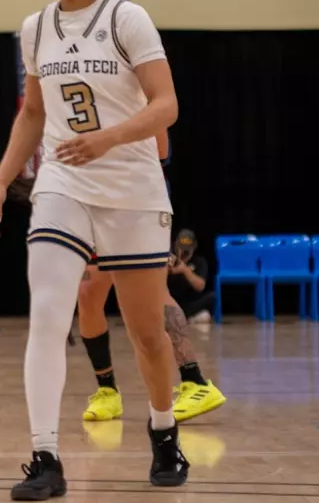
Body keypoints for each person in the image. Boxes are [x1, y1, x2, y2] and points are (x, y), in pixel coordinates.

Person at [0, 0, 190, 499]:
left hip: (132, 188)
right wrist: (0, 181)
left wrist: (110, 138)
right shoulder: (35, 27)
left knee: (147, 333)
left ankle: (164, 430)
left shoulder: (127, 18)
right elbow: (32, 115)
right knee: (48, 315)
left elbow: (167, 105)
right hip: (62, 183)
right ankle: (45, 457)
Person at [77, 147, 226, 427]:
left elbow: (161, 147)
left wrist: (107, 139)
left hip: (136, 196)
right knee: (88, 294)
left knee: (154, 296)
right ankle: (107, 390)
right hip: (93, 194)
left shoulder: (146, 103)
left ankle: (195, 382)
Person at [169, 229, 214, 322]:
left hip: (189, 303)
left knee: (212, 296)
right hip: (172, 301)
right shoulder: (170, 260)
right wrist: (169, 270)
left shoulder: (199, 262)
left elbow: (200, 286)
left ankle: (184, 317)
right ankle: (183, 317)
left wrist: (185, 270)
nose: (184, 252)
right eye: (181, 248)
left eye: (187, 249)